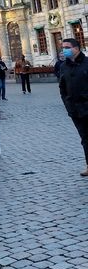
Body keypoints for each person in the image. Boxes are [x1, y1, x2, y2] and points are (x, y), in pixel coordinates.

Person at [58, 38, 88, 177]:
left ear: (76, 48)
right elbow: (62, 88)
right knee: (85, 138)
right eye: (63, 47)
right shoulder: (64, 66)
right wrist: (68, 104)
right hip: (75, 110)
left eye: (67, 47)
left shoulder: (87, 63)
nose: (64, 50)